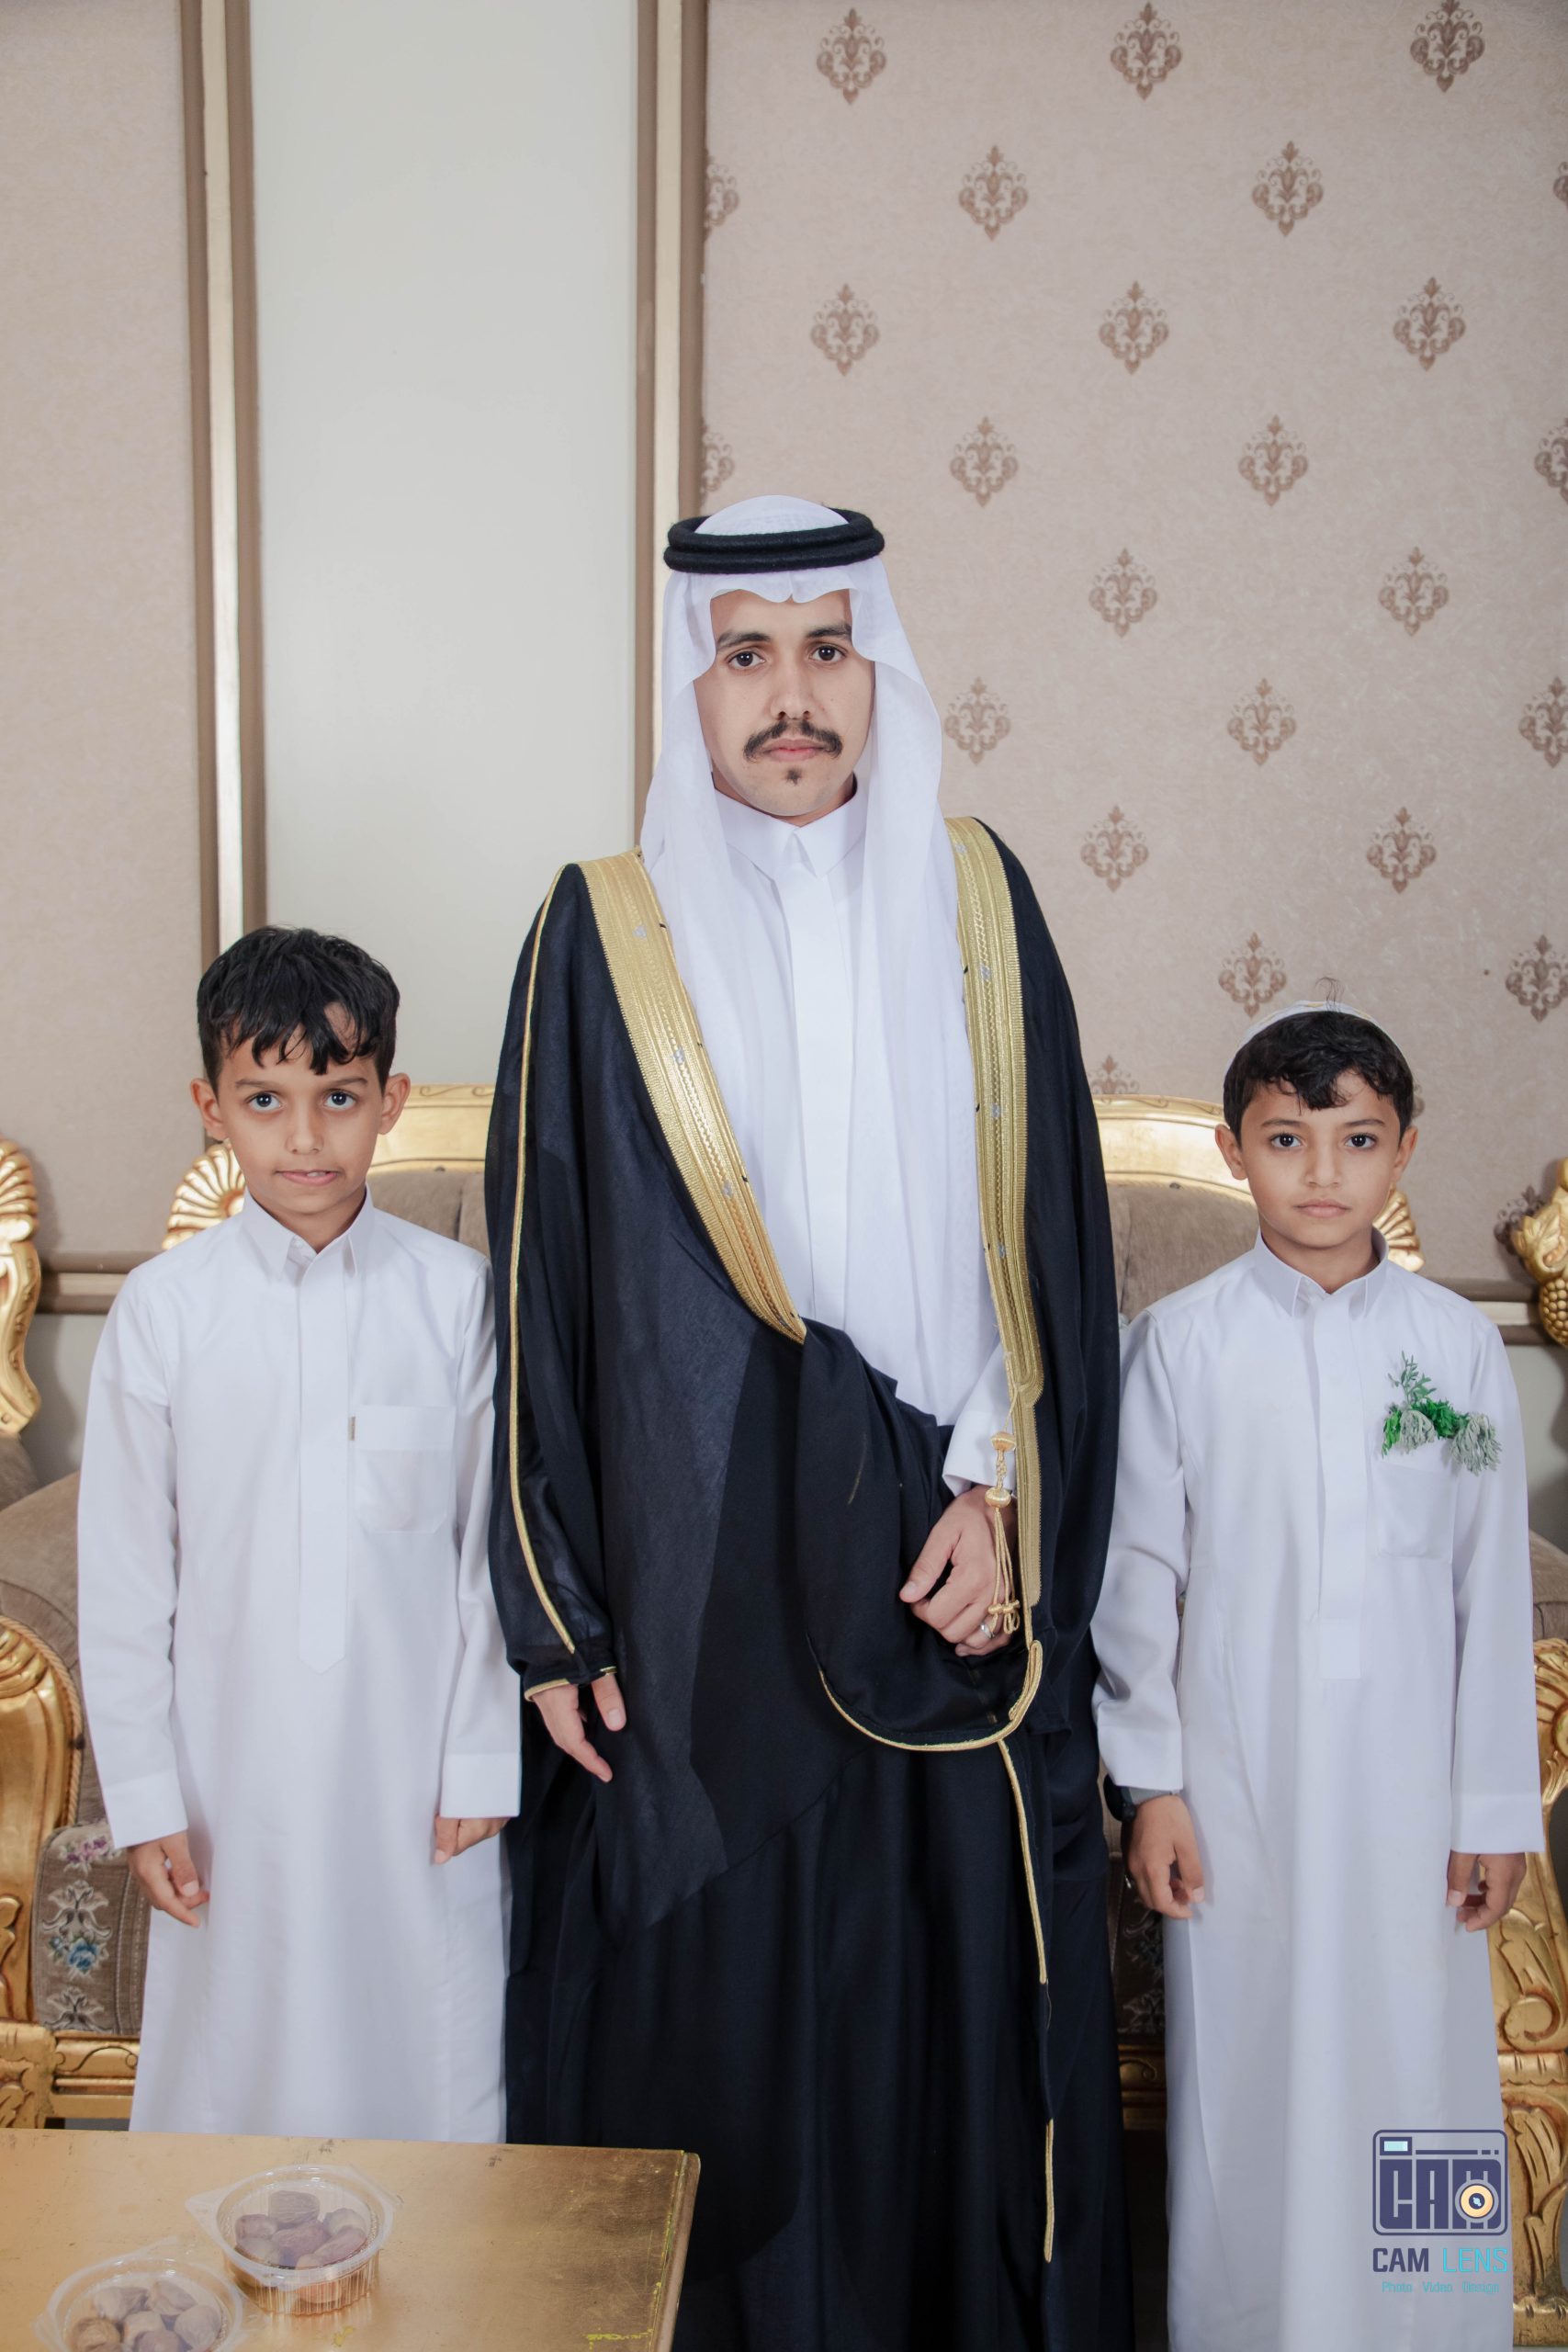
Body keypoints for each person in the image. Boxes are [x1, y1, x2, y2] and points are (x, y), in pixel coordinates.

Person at [487, 495, 1132, 2350]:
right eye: (748, 654)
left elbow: (1053, 1242)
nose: (793, 695)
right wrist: (557, 1618)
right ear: (689, 686)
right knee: (722, 2035)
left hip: (943, 1563)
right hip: (702, 1580)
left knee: (942, 2026)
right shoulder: (601, 930)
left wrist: (998, 1491)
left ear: (877, 671)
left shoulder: (981, 903)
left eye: (828, 651)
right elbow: (544, 1278)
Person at [1091, 1001, 1541, 2352]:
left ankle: (1430, 2325)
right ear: (1237, 1152)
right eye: (1288, 1140)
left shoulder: (1456, 1349)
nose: (1323, 1173)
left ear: (1404, 1151)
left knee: (1423, 2073)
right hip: (1242, 1795)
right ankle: (1252, 2324)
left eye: (1357, 1139)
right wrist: (1152, 1788)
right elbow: (1138, 1583)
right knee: (1251, 2077)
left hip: (1415, 1805)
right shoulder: (1180, 1344)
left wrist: (1494, 1806)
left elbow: (1486, 1586)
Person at [78, 927, 519, 2137]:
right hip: (230, 1769)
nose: (306, 1137)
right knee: (236, 2058)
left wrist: (480, 1759)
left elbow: (490, 1553)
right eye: (265, 1100)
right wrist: (147, 1794)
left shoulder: (457, 1299)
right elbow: (125, 1578)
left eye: (339, 1096)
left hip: (415, 1766)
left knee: (427, 2055)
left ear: (392, 1102)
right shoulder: (164, 1312)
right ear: (210, 1108)